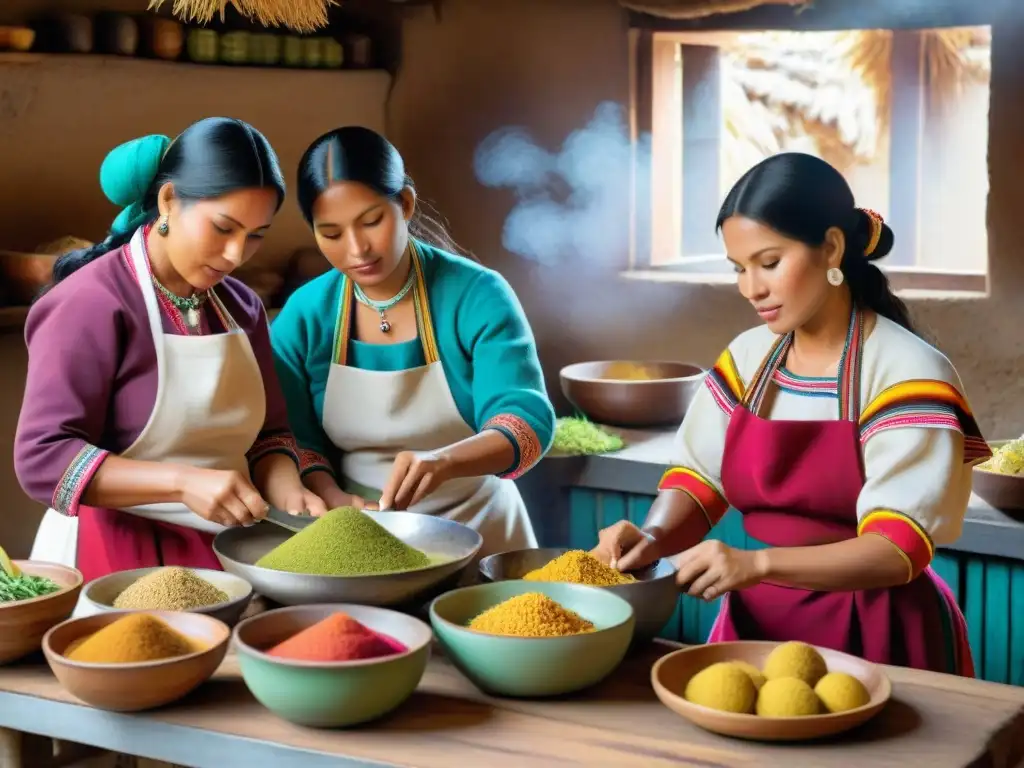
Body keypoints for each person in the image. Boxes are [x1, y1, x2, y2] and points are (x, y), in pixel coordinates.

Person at [594, 152, 989, 676]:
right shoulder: (748, 359)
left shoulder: (908, 372)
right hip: (756, 626)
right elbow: (698, 478)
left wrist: (756, 564)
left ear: (831, 247)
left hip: (880, 632)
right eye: (739, 268)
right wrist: (651, 537)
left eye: (769, 262)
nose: (750, 288)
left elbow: (898, 551)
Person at [15, 117, 327, 586]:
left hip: (229, 551)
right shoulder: (90, 303)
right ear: (167, 201)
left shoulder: (242, 308)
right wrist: (183, 483)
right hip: (111, 558)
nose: (235, 255)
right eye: (223, 227)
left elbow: (271, 434)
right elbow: (42, 460)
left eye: (256, 234)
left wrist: (285, 484)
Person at [271, 126, 555, 556]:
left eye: (371, 221)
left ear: (404, 204)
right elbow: (293, 438)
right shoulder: (306, 314)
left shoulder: (477, 294)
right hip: (359, 530)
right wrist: (330, 496)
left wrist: (445, 462)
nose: (357, 249)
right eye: (331, 233)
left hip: (480, 526)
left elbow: (527, 422)